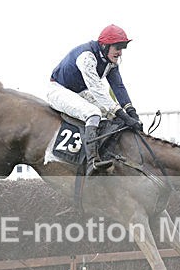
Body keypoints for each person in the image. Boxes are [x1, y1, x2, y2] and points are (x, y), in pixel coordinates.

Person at [48, 24, 143, 175]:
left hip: (79, 91)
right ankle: (92, 161)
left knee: (111, 116)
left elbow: (118, 86)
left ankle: (109, 153)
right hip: (58, 90)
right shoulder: (87, 57)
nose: (120, 52)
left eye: (122, 47)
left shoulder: (109, 61)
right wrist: (123, 115)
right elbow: (97, 89)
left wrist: (132, 112)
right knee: (94, 113)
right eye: (118, 47)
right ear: (105, 45)